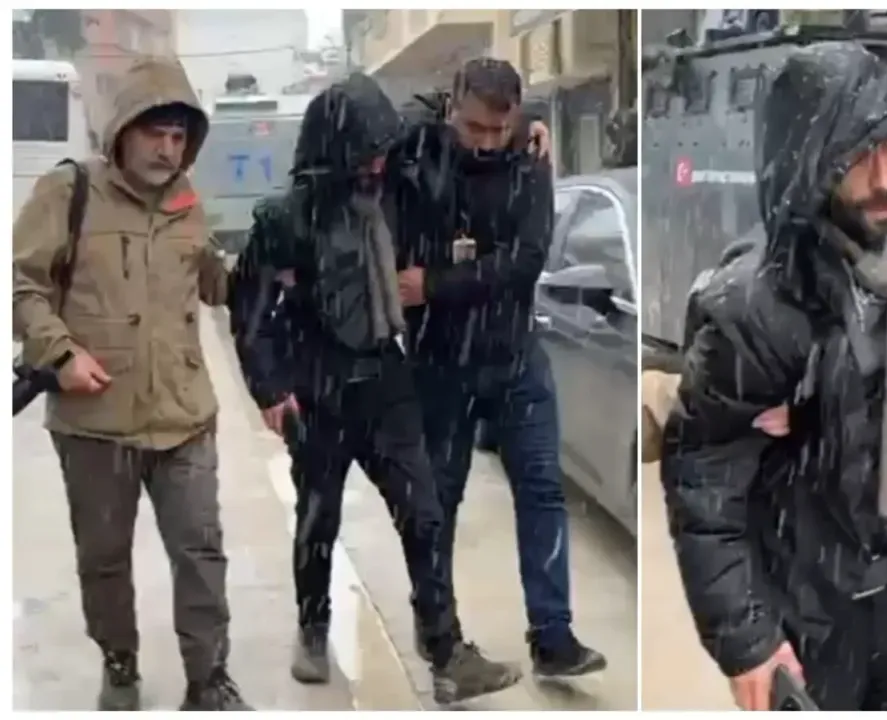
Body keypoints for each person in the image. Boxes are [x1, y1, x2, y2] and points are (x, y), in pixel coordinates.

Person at [660, 43, 887, 711]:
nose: (885, 177)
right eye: (856, 155)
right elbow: (703, 480)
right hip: (807, 595)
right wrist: (746, 639)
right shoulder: (757, 307)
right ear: (808, 163)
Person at [228, 73, 517, 705]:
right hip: (319, 389)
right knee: (318, 518)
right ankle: (313, 627)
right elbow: (248, 311)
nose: (379, 163)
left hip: (388, 382)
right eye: (366, 153)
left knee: (425, 516)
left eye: (382, 150)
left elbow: (446, 123)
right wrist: (270, 389)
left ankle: (445, 651)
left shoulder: (398, 192)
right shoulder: (285, 219)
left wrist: (536, 122)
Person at [12, 56, 252, 711]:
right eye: (155, 133)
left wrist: (260, 263)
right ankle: (119, 662)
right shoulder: (69, 191)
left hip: (184, 417)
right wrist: (60, 354)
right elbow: (22, 285)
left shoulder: (188, 203)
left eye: (179, 137)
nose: (167, 149)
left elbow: (214, 286)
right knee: (105, 558)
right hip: (95, 422)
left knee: (201, 553)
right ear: (123, 129)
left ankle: (208, 679)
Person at [395, 57, 607, 688]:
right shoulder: (422, 151)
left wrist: (436, 283)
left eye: (499, 128)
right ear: (452, 108)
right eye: (474, 128)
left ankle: (553, 636)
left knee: (542, 492)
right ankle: (438, 627)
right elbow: (395, 123)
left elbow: (525, 262)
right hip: (440, 363)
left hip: (515, 358)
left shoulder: (528, 161)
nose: (486, 143)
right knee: (439, 501)